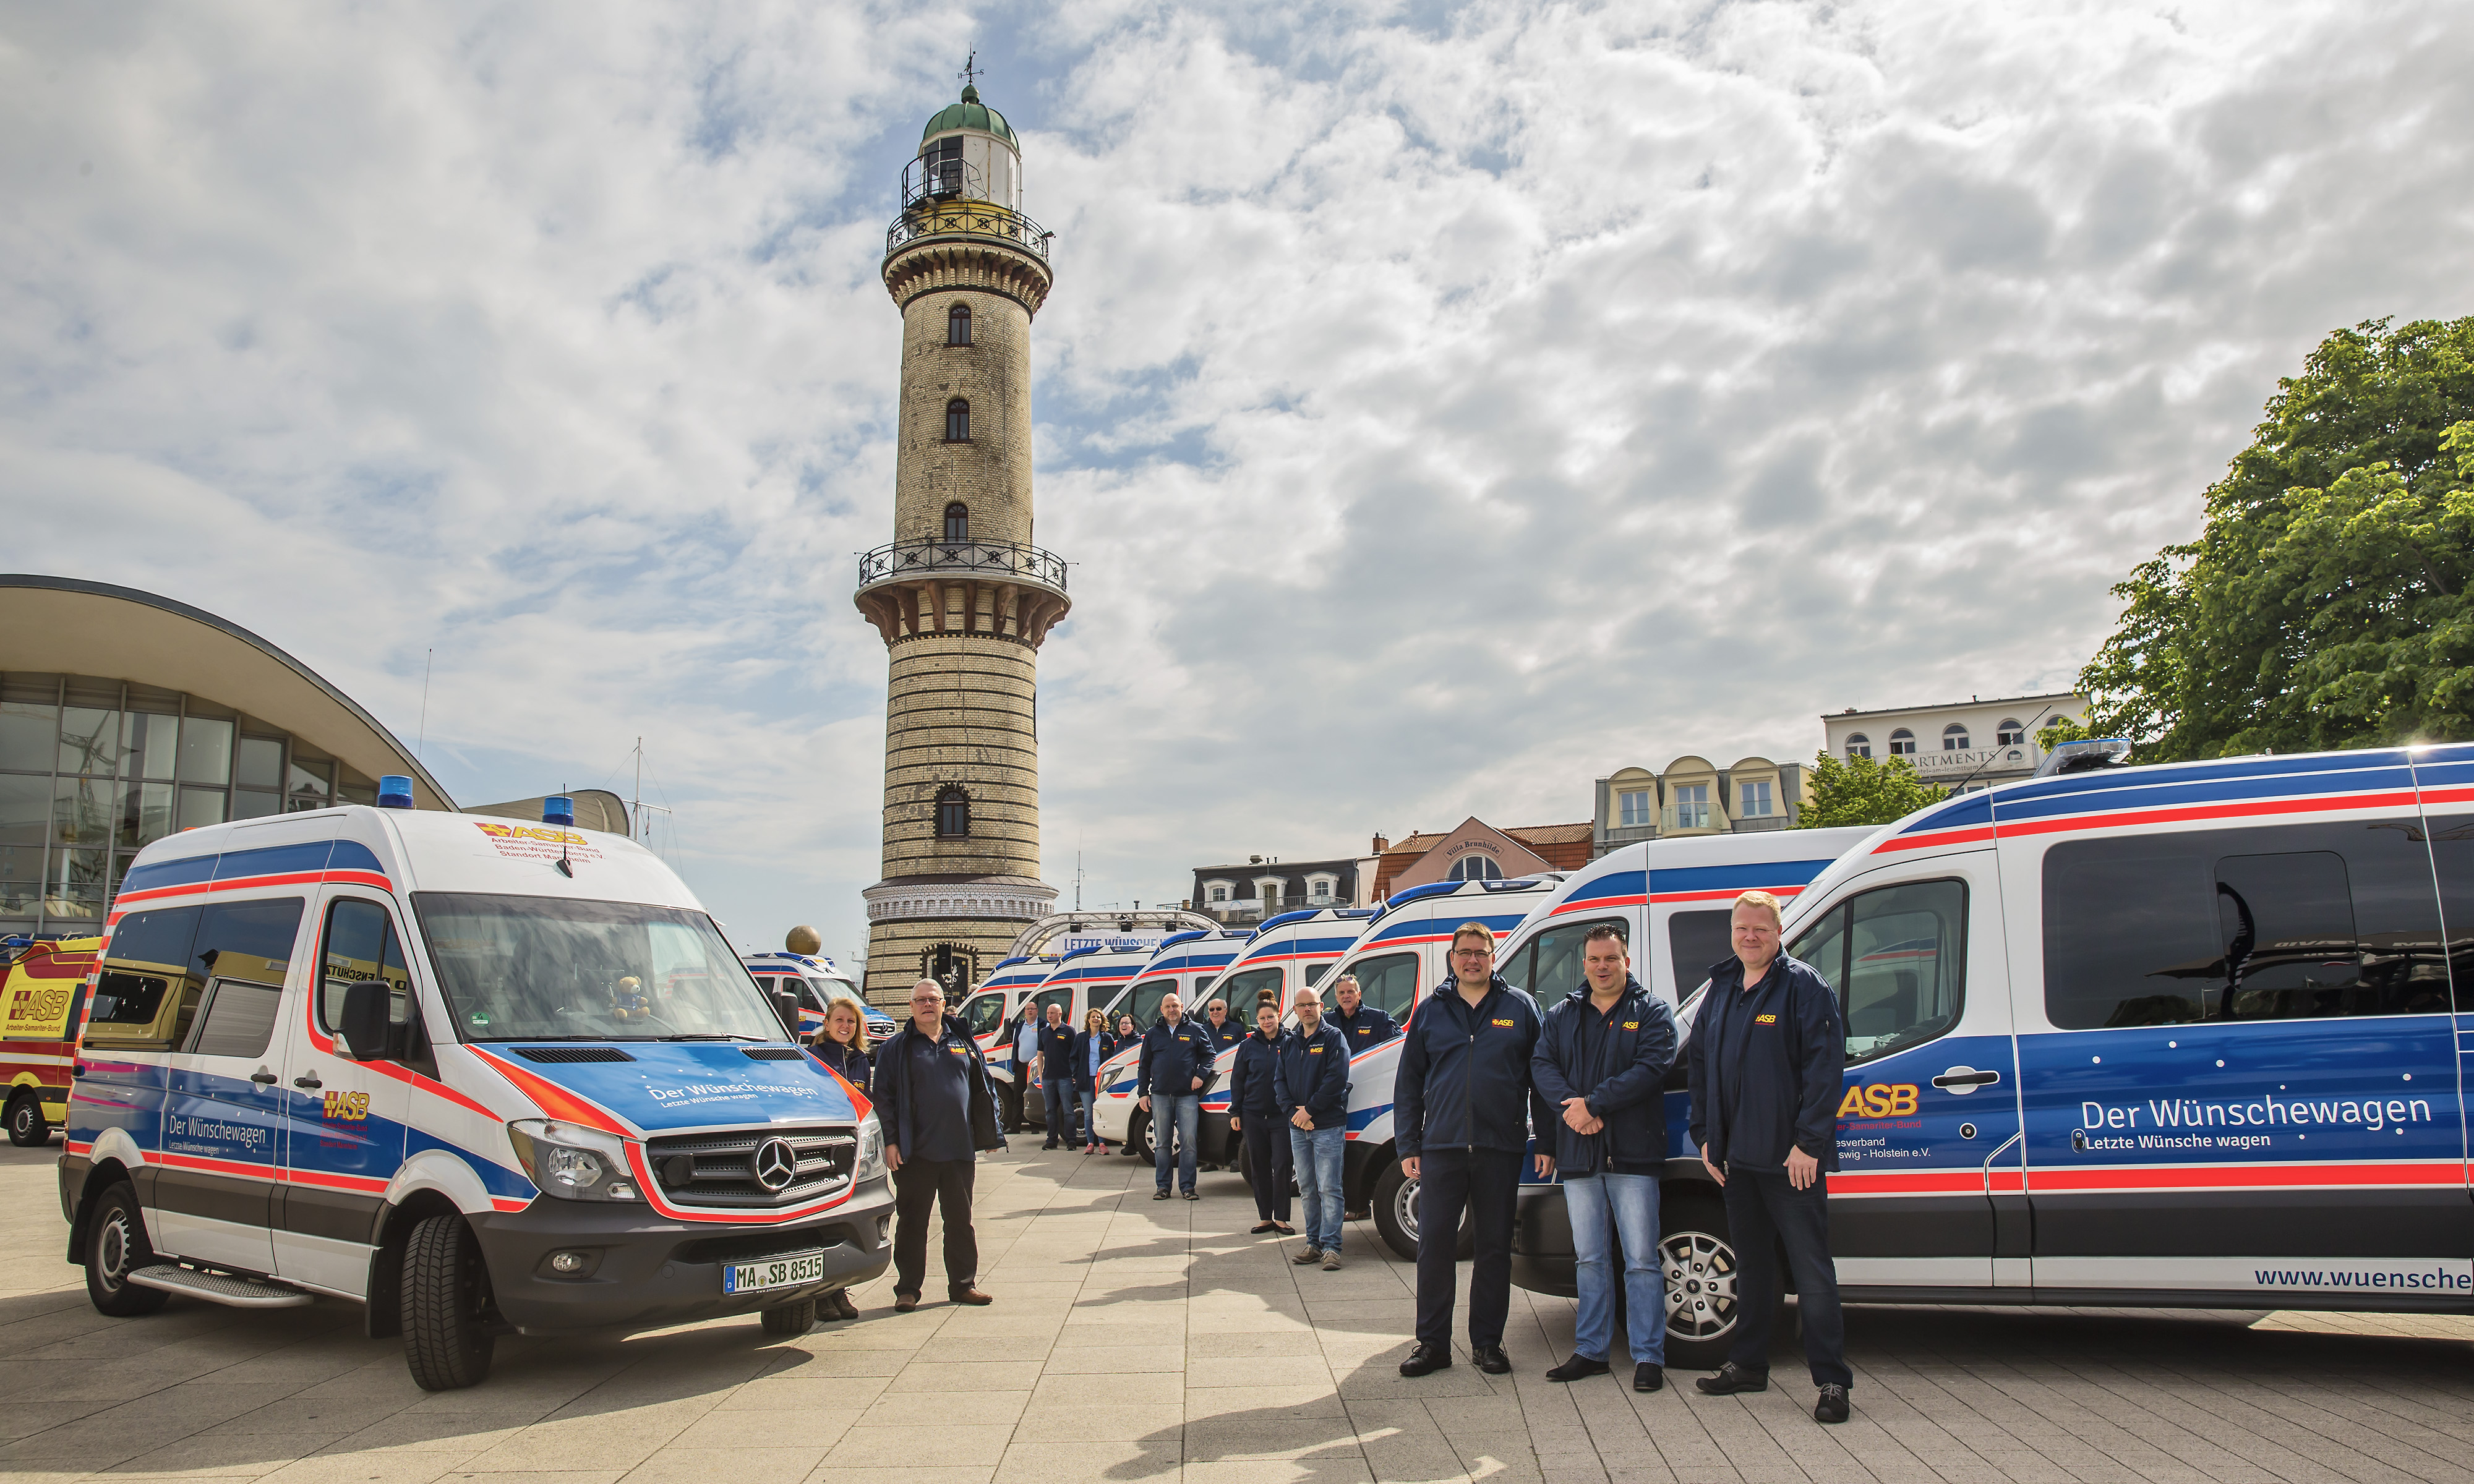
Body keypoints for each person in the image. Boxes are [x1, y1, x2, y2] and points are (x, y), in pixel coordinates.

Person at [1687, 890, 1852, 1425]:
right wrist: (1707, 1136)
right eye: (1741, 929)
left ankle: (1831, 1381)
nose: (1750, 937)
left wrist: (1809, 1143)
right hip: (1737, 1161)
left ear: (1779, 932)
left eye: (1760, 929)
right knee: (1754, 1269)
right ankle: (1749, 1365)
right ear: (1731, 932)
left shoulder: (1803, 986)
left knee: (1811, 1273)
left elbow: (1826, 1071)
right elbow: (1701, 1066)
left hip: (1791, 1162)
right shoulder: (1723, 988)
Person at [1393, 924, 1550, 1377]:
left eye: (1481, 952)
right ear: (1452, 958)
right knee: (1435, 1248)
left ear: (1494, 956)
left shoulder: (1520, 1008)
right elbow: (1409, 1084)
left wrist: (1546, 1139)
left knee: (1494, 1248)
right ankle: (1432, 1345)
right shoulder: (1430, 1012)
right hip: (1441, 1148)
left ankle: (1488, 1344)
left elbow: (1541, 1081)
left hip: (1499, 1148)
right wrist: (1409, 1144)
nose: (1472, 960)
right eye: (1464, 953)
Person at [1530, 924, 1678, 1392]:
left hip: (1633, 1156)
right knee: (1589, 1259)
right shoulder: (1562, 1014)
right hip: (1578, 1155)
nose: (1602, 967)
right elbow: (1542, 1066)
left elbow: (1653, 1067)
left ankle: (1648, 1356)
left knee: (1640, 1260)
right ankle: (1591, 1351)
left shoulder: (1651, 1011)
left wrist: (1593, 1104)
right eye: (1593, 960)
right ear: (1584, 964)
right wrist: (1573, 1110)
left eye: (1610, 959)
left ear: (1626, 961)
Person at [874, 978, 1003, 1311]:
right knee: (913, 1222)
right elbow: (884, 1099)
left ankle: (963, 1285)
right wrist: (890, 1142)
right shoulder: (896, 1047)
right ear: (911, 1006)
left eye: (934, 999)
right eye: (921, 1000)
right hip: (915, 1152)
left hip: (959, 1150)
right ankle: (908, 1289)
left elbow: (983, 1087)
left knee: (960, 1221)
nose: (927, 1005)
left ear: (945, 1004)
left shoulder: (963, 1041)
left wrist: (991, 1131)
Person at [806, 997, 876, 1322]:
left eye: (851, 1022)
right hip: (822, 1149)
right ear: (827, 1023)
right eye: (839, 1020)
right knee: (820, 1222)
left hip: (853, 1148)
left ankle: (839, 1289)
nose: (845, 1026)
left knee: (844, 1221)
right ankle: (821, 1294)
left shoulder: (860, 1059)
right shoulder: (814, 1056)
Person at [1275, 984, 1350, 1268]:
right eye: (1302, 1005)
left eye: (1312, 1004)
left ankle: (1332, 1247)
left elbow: (1336, 1079)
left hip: (1327, 1126)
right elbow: (1279, 1081)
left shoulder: (1334, 1038)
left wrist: (1310, 1110)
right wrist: (1292, 1112)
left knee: (1330, 1188)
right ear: (1294, 1010)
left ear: (1321, 1007)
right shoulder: (1289, 1042)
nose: (1307, 1009)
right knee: (1307, 1187)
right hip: (1298, 1127)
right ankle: (1314, 1243)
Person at [1226, 999, 1294, 1235]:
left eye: (1271, 1017)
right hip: (1253, 1115)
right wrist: (1235, 1111)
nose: (1267, 1021)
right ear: (1258, 1020)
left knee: (1284, 1164)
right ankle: (1266, 1217)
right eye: (1263, 1018)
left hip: (1282, 1116)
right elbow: (1238, 1080)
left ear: (1279, 1017)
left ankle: (1283, 1218)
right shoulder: (1248, 1046)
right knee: (1260, 1167)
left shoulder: (1290, 1042)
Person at [1137, 991, 1211, 1200]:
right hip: (1160, 1095)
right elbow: (1144, 1066)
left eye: (1175, 1006)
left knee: (1188, 1141)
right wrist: (1143, 1092)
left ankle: (1188, 1187)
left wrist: (1200, 1075)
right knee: (1162, 1143)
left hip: (1187, 1095)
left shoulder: (1195, 1030)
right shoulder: (1153, 1034)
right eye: (1168, 1006)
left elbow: (1209, 1055)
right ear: (1161, 1010)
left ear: (1182, 1007)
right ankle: (1163, 1187)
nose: (1172, 1010)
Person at [1037, 1003, 1080, 1150]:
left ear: (1060, 1014)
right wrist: (1041, 1075)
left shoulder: (1068, 1031)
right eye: (1048, 1013)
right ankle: (1052, 1140)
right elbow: (1040, 1055)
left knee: (1068, 1110)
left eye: (1053, 1013)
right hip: (1048, 1078)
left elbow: (1076, 1054)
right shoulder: (1043, 1032)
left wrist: (1074, 1073)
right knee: (1050, 1110)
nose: (1049, 1016)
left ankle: (1071, 1140)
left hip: (1065, 1077)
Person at [1327, 974, 1399, 1047]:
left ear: (1359, 995)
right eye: (1342, 993)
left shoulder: (1379, 1018)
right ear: (1337, 997)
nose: (1346, 996)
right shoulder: (1327, 1021)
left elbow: (1397, 1045)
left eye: (1350, 992)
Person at [1076, 1007, 1110, 1153]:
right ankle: (1090, 1143)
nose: (1096, 1019)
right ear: (1088, 1020)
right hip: (1085, 1079)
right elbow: (1073, 1058)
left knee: (1100, 1111)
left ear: (1102, 1020)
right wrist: (1075, 1073)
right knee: (1089, 1112)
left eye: (1098, 1017)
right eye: (1093, 1017)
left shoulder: (1107, 1038)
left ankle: (1102, 1143)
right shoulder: (1081, 1038)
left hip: (1101, 1081)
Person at [1116, 1014, 1145, 1154]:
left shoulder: (1139, 1042)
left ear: (1133, 1026)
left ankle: (1132, 1145)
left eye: (1127, 1023)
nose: (1124, 1026)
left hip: (1133, 1082)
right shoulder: (1119, 1042)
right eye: (1122, 1023)